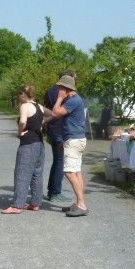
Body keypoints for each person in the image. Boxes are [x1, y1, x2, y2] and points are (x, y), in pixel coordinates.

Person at [2, 85, 50, 214]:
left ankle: (17, 205)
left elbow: (23, 121)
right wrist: (40, 124)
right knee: (37, 174)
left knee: (22, 173)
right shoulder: (39, 107)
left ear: (24, 94)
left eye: (19, 93)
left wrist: (19, 132)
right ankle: (35, 203)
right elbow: (53, 114)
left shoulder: (24, 106)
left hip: (28, 144)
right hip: (40, 143)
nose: (18, 96)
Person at [46, 74, 89, 217]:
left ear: (66, 88)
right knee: (76, 172)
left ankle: (81, 204)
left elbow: (55, 112)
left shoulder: (73, 100)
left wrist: (59, 98)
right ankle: (79, 203)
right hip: (75, 139)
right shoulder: (74, 100)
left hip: (74, 140)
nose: (58, 90)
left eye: (60, 88)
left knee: (69, 172)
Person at [44, 69, 76, 205]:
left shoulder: (49, 91)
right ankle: (55, 193)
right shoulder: (64, 94)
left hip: (52, 129)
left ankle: (52, 190)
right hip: (61, 131)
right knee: (60, 163)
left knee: (57, 161)